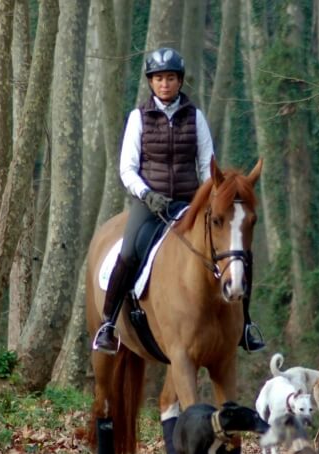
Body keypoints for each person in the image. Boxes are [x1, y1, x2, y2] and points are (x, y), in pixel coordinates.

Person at [92, 47, 265, 355]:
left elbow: (207, 166)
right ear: (150, 82)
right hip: (149, 204)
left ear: (179, 81)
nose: (165, 84)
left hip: (189, 202)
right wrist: (147, 195)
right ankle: (108, 324)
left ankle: (246, 325)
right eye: (159, 79)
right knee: (130, 251)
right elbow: (127, 168)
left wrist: (207, 197)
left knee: (236, 252)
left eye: (170, 78)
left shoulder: (195, 117)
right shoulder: (138, 118)